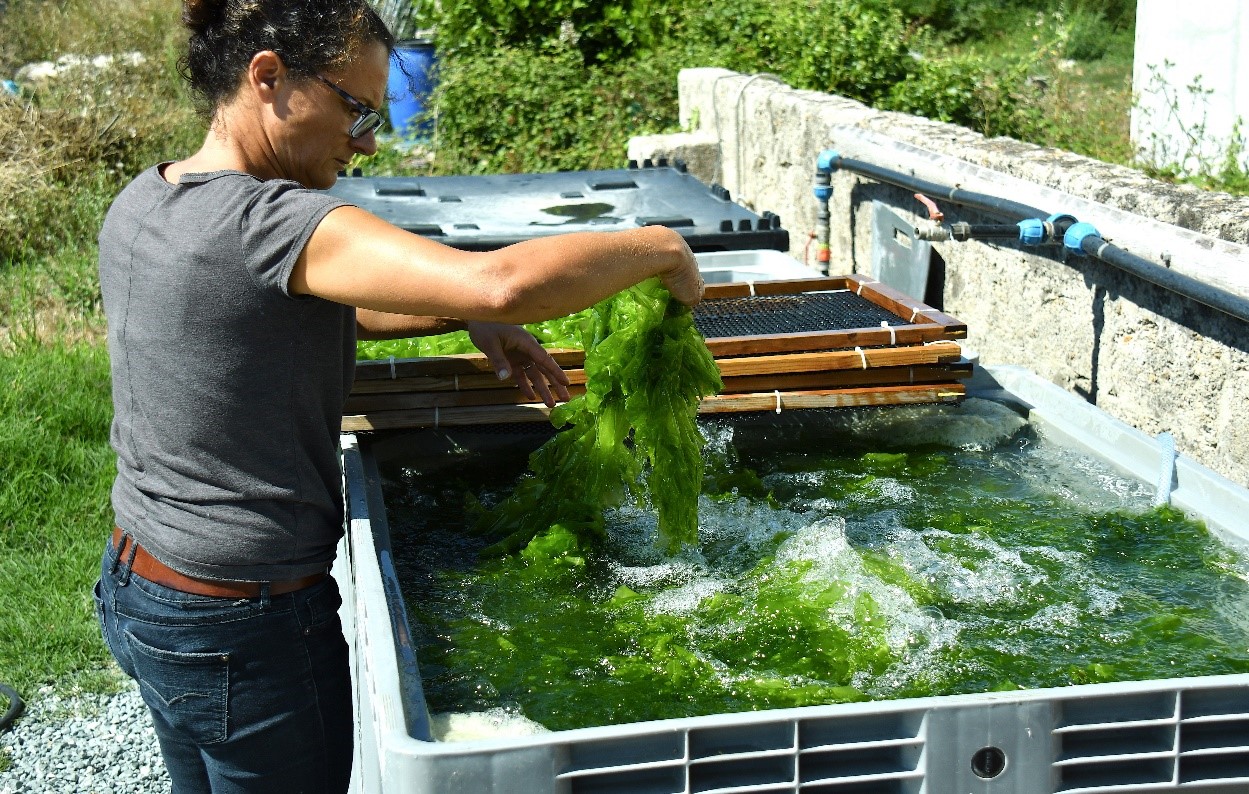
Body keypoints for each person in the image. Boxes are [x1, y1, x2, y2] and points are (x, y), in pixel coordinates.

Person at [90, 1, 704, 792]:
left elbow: (323, 299)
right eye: (357, 108)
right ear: (269, 77)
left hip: (145, 586)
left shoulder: (150, 197)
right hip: (247, 623)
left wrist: (467, 316)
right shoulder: (268, 220)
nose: (369, 140)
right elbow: (503, 279)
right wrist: (660, 249)